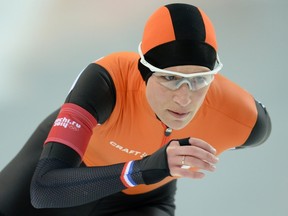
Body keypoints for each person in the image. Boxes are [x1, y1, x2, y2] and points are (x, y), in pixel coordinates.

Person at [0, 3, 271, 216]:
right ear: (143, 74)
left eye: (199, 80)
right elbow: (45, 189)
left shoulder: (244, 118)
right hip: (72, 178)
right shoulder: (107, 81)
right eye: (170, 78)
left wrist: (149, 171)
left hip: (140, 203)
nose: (184, 99)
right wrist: (142, 169)